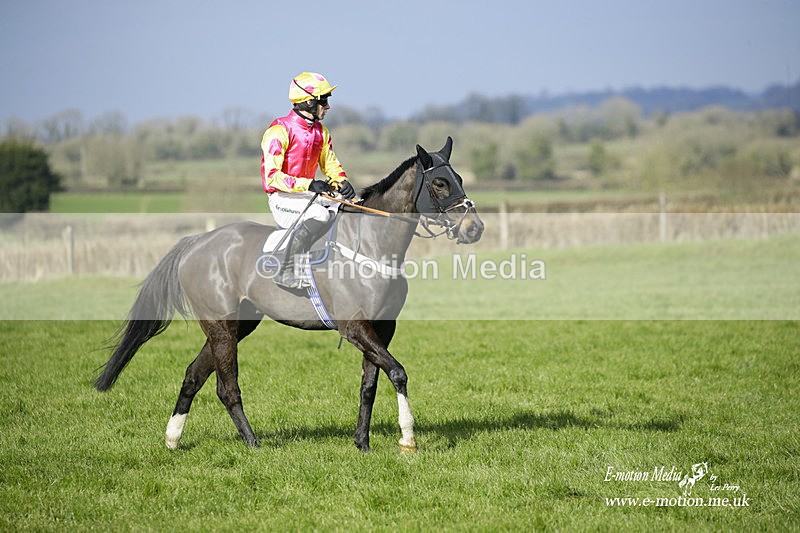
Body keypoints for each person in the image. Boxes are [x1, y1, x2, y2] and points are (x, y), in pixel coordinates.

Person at [261, 71, 356, 288]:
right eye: (324, 100)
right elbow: (272, 177)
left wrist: (342, 182)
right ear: (309, 102)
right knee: (320, 215)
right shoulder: (278, 131)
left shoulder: (321, 132)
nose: (328, 106)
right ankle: (285, 271)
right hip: (282, 198)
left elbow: (330, 164)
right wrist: (309, 184)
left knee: (352, 207)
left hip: (307, 195)